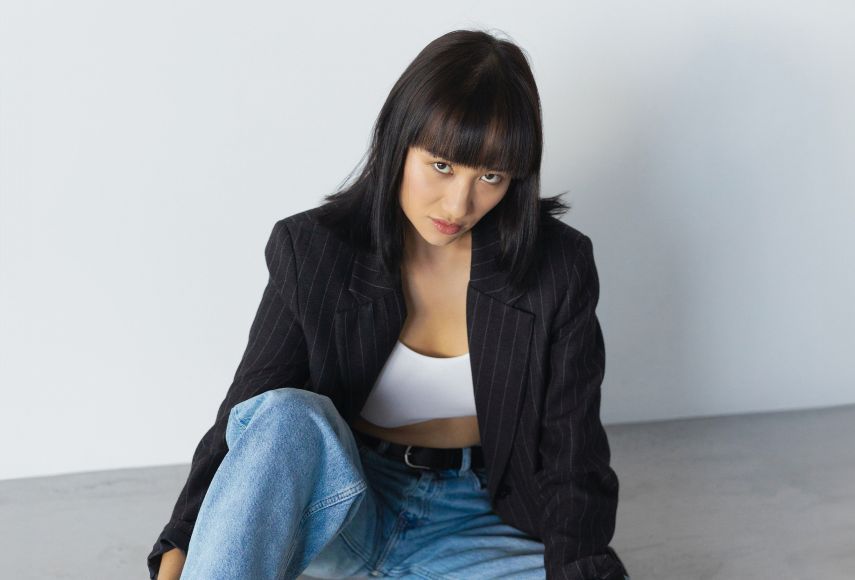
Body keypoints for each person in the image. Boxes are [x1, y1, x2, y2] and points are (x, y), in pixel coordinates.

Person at [147, 28, 630, 580]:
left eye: (490, 176)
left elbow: (573, 454)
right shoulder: (312, 250)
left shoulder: (558, 268)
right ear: (398, 142)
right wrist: (180, 552)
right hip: (342, 508)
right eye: (442, 165)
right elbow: (249, 427)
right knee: (283, 413)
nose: (459, 204)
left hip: (478, 524)